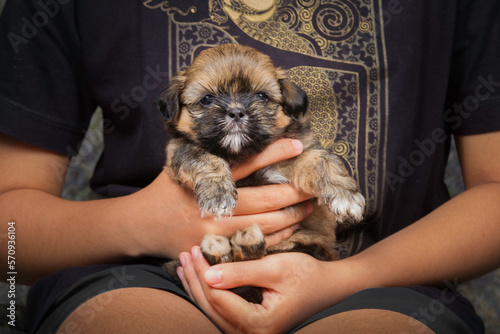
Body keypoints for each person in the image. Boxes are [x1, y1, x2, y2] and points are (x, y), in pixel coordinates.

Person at [1, 0, 499, 333]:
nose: (236, 113)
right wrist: (138, 224)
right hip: (145, 278)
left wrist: (348, 277)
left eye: (258, 98)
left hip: (378, 286)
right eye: (209, 102)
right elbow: (8, 239)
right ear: (175, 108)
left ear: (288, 102)